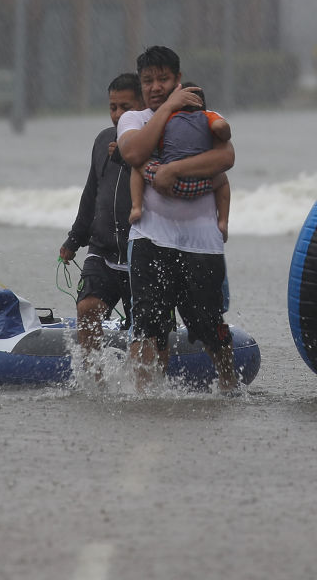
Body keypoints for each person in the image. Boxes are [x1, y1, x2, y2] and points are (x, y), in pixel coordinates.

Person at [117, 46, 237, 393]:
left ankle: (229, 388)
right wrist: (168, 107)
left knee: (210, 323)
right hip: (150, 237)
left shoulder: (202, 114)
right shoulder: (134, 120)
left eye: (164, 80)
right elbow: (135, 152)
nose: (155, 87)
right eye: (148, 81)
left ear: (179, 79)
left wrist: (173, 169)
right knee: (146, 324)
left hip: (202, 240)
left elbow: (226, 155)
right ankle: (143, 395)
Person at [58, 73, 144, 374]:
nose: (118, 114)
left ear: (143, 106)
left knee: (143, 329)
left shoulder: (156, 142)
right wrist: (74, 239)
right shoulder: (102, 140)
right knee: (87, 308)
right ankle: (93, 379)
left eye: (126, 107)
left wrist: (129, 155)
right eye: (113, 107)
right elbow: (92, 193)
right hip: (103, 248)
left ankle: (140, 384)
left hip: (142, 251)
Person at [128, 82, 231, 243]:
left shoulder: (166, 119)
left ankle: (136, 207)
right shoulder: (207, 117)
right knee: (223, 180)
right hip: (198, 185)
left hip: (167, 183)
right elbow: (221, 126)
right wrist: (220, 132)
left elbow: (150, 146)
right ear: (203, 105)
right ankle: (223, 221)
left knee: (138, 164)